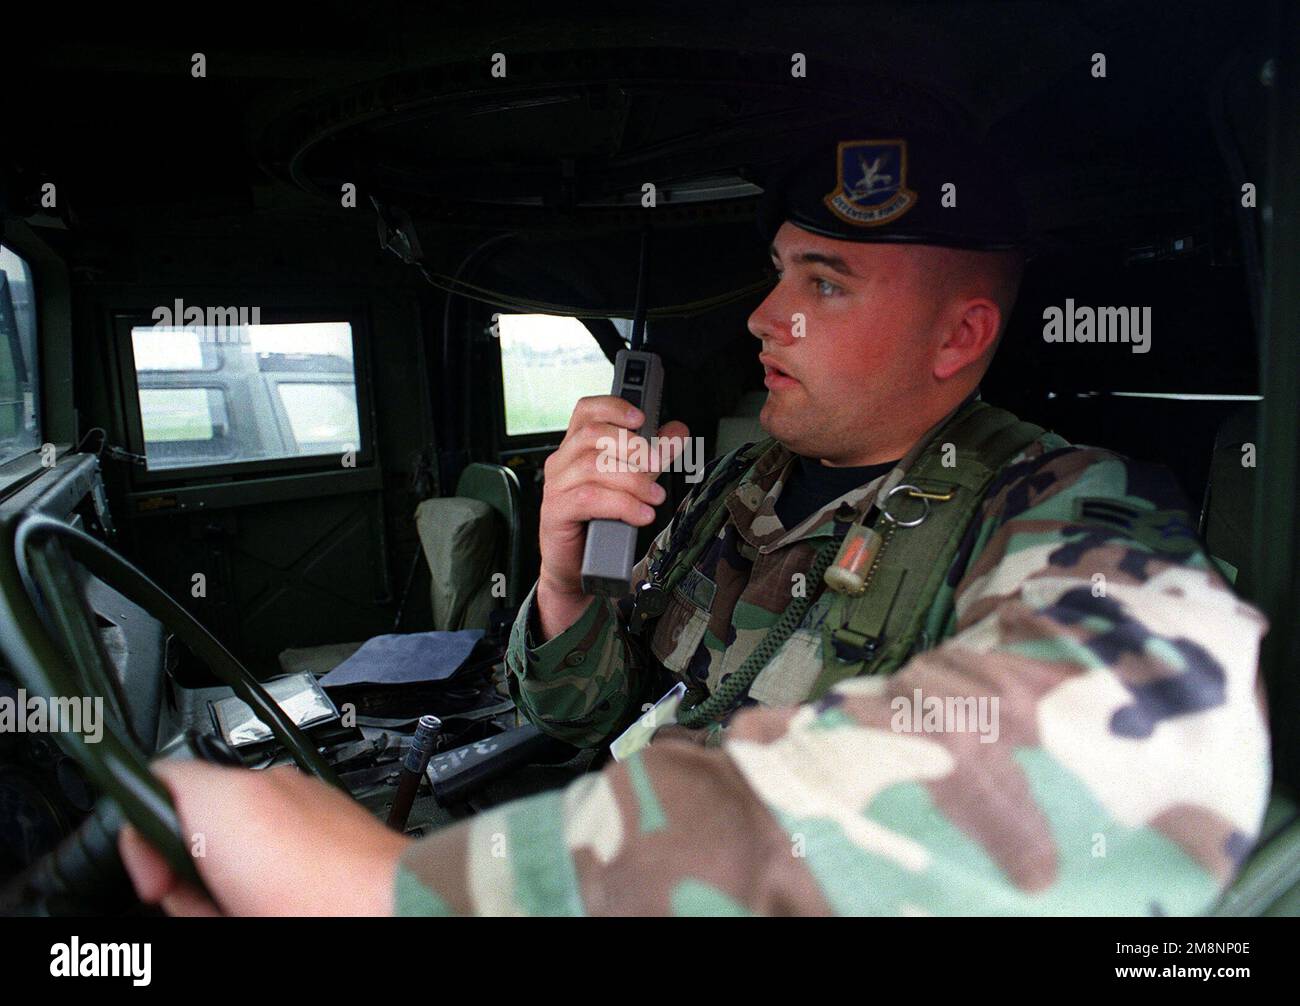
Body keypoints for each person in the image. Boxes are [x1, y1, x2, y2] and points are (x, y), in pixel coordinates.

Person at [121, 126, 1272, 916]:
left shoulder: (1059, 501)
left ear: (958, 339)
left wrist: (405, 896)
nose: (766, 315)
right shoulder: (747, 476)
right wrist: (567, 582)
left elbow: (1153, 729)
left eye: (823, 283)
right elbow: (590, 713)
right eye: (777, 270)